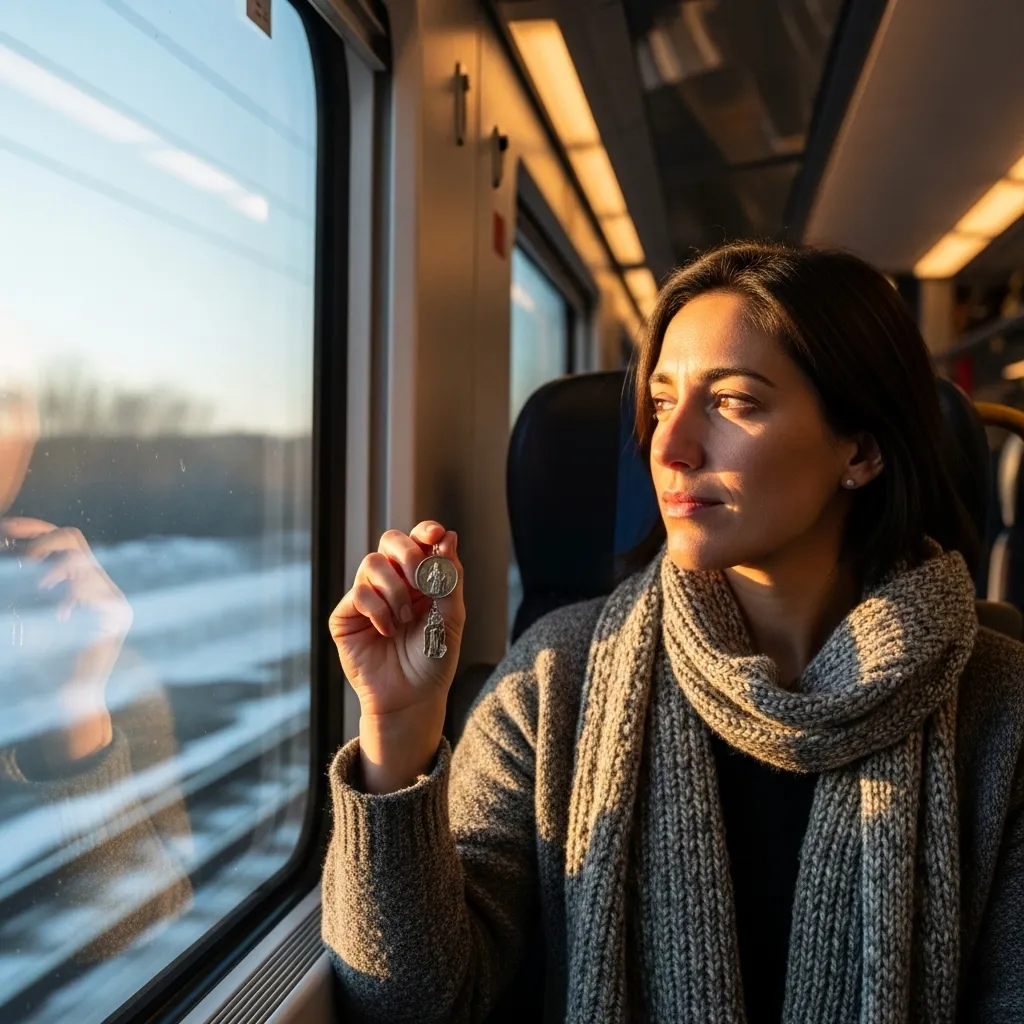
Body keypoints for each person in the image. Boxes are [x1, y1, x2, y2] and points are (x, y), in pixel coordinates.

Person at [323, 241, 1024, 1023]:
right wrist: (399, 728)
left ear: (858, 451)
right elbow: (416, 1002)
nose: (669, 446)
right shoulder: (554, 678)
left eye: (733, 402)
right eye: (662, 402)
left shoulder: (1002, 709)